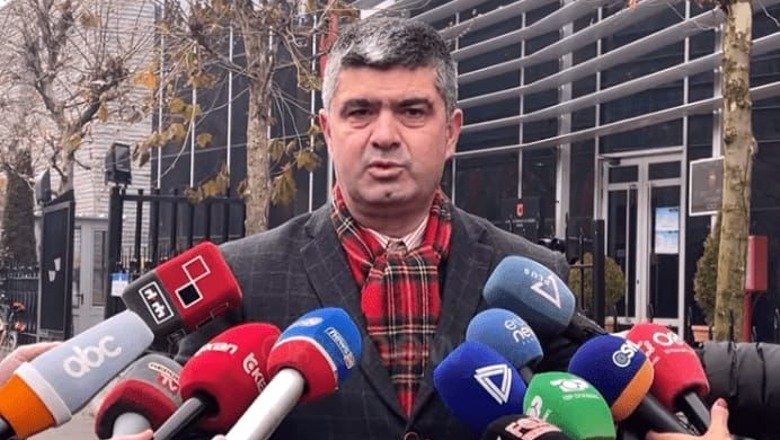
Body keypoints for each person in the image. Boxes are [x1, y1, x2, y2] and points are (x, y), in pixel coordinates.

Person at [176, 16, 733, 440]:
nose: (384, 135)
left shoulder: (534, 279)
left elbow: (594, 406)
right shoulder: (242, 279)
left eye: (413, 111)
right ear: (326, 130)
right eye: (360, 111)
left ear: (451, 132)